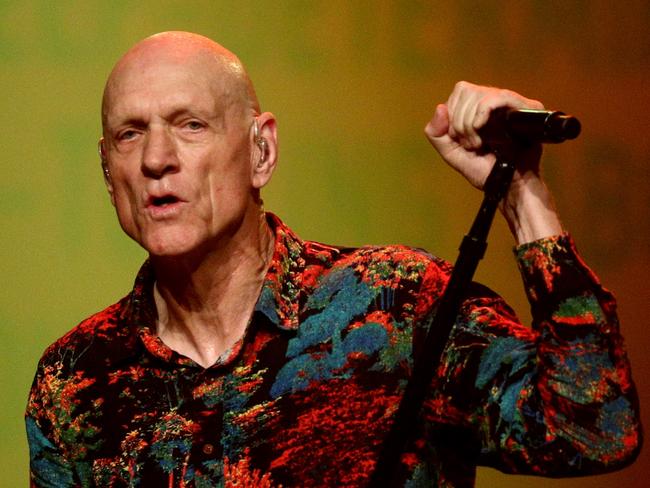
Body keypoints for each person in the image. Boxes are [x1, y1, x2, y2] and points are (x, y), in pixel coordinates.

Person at [26, 31, 641, 487]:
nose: (156, 158)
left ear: (261, 151)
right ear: (109, 173)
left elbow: (591, 429)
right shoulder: (76, 381)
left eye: (190, 125)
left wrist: (520, 194)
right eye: (130, 134)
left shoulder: (395, 303)